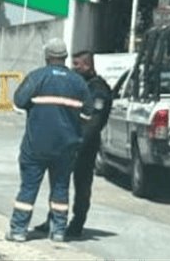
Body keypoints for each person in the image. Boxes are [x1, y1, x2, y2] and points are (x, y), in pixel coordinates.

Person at [6, 38, 93, 243]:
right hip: (66, 146)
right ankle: (59, 231)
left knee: (28, 187)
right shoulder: (78, 82)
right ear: (64, 57)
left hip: (36, 145)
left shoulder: (37, 77)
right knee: (61, 187)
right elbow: (88, 114)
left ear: (47, 56)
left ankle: (18, 230)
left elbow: (18, 102)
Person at [34, 50, 113, 238]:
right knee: (59, 183)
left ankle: (78, 223)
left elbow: (94, 123)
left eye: (77, 64)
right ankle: (53, 218)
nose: (73, 68)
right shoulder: (76, 84)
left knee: (82, 185)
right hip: (66, 142)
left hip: (84, 146)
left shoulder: (98, 89)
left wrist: (78, 143)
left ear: (87, 65)